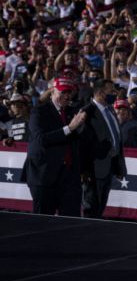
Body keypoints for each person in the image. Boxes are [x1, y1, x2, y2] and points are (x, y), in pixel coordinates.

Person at [23, 77, 88, 216]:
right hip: (44, 175)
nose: (67, 96)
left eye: (69, 93)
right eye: (63, 92)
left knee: (70, 221)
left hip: (70, 176)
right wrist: (70, 128)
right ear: (52, 91)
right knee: (43, 222)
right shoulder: (39, 112)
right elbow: (42, 139)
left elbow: (78, 143)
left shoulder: (72, 112)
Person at [81, 79, 127, 218]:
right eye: (111, 91)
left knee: (101, 205)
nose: (115, 94)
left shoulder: (110, 110)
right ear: (101, 93)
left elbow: (116, 139)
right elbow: (82, 144)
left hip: (109, 166)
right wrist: (84, 170)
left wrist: (119, 166)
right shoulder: (87, 112)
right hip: (93, 169)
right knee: (91, 207)